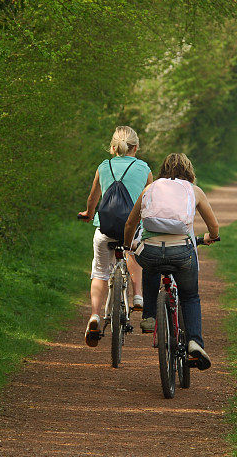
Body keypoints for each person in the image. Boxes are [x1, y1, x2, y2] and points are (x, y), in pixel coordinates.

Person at [123, 152, 219, 370]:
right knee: (190, 296)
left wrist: (129, 245)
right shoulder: (194, 191)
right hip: (182, 252)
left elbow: (130, 223)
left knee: (149, 262)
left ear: (163, 170)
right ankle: (194, 342)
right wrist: (211, 237)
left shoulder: (151, 188)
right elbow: (214, 226)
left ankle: (149, 316)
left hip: (152, 252)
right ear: (189, 171)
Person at [78, 126, 152, 347]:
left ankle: (94, 316)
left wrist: (89, 214)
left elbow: (93, 198)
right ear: (136, 147)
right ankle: (138, 295)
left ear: (112, 147)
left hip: (105, 230)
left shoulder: (104, 166)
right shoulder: (144, 168)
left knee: (100, 271)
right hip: (133, 228)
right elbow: (151, 198)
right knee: (135, 252)